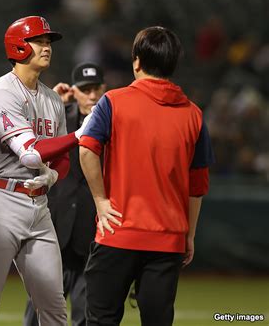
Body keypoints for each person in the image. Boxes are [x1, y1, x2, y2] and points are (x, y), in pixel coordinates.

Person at [0, 16, 92, 326]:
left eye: (49, 42)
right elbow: (31, 154)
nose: (47, 47)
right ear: (18, 46)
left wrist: (53, 175)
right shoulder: (1, 93)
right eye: (39, 41)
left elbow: (62, 160)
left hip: (37, 205)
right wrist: (81, 135)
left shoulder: (53, 99)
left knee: (54, 307)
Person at [79, 26, 215, 326]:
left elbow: (87, 149)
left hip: (117, 233)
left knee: (101, 320)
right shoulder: (194, 114)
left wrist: (101, 201)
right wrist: (188, 235)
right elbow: (198, 184)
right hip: (167, 240)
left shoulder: (113, 102)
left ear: (136, 62)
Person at [23, 63, 106, 326]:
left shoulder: (112, 124)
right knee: (39, 309)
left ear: (105, 89)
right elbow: (27, 143)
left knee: (85, 312)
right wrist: (52, 103)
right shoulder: (57, 117)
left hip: (90, 226)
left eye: (96, 89)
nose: (92, 95)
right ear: (75, 91)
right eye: (85, 89)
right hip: (54, 223)